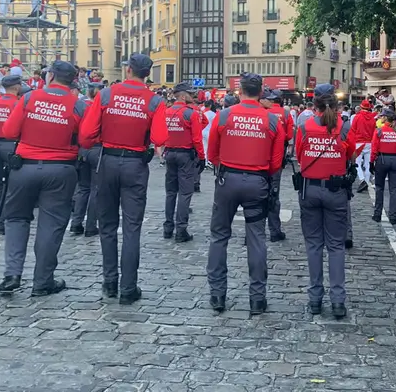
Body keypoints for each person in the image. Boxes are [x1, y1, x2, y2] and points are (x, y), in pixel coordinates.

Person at [79, 53, 168, 304]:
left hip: (107, 160)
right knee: (132, 227)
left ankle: (109, 282)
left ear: (128, 69)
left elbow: (86, 133)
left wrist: (94, 143)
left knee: (107, 225)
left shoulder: (107, 94)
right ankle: (129, 287)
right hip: (135, 163)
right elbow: (161, 138)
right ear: (147, 74)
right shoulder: (154, 101)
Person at [0, 61, 86, 295]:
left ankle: (12, 274)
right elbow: (86, 140)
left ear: (51, 76)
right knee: (51, 224)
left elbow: (8, 132)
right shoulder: (78, 106)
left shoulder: (29, 98)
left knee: (16, 218)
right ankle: (42, 281)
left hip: (24, 167)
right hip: (61, 169)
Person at [206, 72, 284, 315]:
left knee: (219, 236)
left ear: (239, 91)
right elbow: (276, 162)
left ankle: (217, 295)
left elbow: (212, 154)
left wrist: (226, 166)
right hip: (257, 181)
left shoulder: (224, 115)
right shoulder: (272, 120)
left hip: (227, 180)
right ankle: (257, 298)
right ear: (261, 93)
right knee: (256, 238)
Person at [295, 84, 355, 318]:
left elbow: (299, 156)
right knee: (336, 246)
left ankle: (315, 299)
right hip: (336, 190)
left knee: (313, 245)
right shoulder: (345, 127)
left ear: (314, 103)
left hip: (310, 189)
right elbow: (350, 155)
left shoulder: (304, 125)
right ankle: (338, 301)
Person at [163, 82, 205, 242]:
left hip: (170, 153)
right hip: (185, 155)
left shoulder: (166, 112)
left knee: (170, 192)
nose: (192, 96)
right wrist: (201, 157)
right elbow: (197, 139)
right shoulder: (191, 113)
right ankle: (181, 229)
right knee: (185, 193)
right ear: (181, 95)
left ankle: (167, 228)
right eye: (189, 93)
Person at [0, 75, 22, 234]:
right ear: (16, 88)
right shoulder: (17, 104)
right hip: (10, 145)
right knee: (10, 185)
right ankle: (1, 222)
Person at [69, 82, 104, 238]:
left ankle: (76, 223)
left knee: (83, 188)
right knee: (95, 190)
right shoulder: (102, 108)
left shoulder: (79, 105)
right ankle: (91, 226)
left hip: (83, 149)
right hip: (98, 149)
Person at [260, 87, 294, 241]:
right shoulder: (285, 114)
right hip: (276, 159)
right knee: (273, 195)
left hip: (257, 160)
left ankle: (253, 233)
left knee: (255, 198)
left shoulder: (261, 114)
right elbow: (288, 135)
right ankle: (275, 231)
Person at [369, 108, 396, 224]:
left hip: (382, 159)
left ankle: (377, 214)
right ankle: (393, 216)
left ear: (385, 118)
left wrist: (371, 162)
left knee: (379, 188)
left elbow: (374, 148)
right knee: (394, 190)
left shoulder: (379, 131)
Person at [350, 99, 377, 192]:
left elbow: (353, 130)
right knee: (368, 164)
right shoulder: (373, 118)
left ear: (361, 107)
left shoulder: (357, 117)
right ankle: (366, 181)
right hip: (369, 142)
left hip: (358, 142)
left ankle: (362, 180)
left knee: (356, 163)